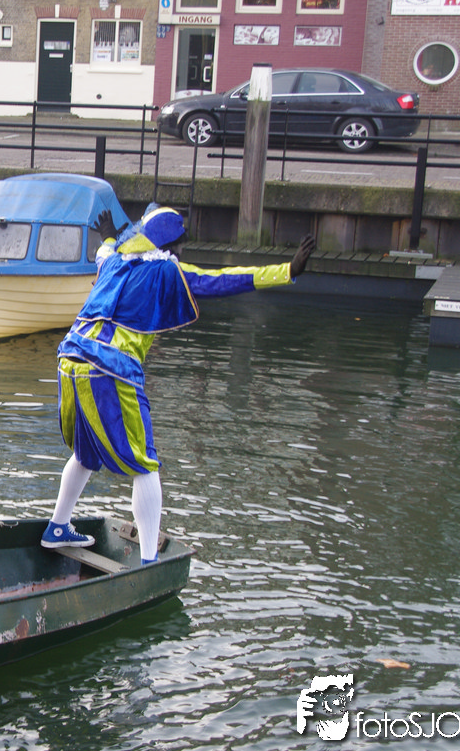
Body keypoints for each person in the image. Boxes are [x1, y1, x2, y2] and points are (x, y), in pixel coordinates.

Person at [41, 204, 315, 563]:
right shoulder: (167, 271)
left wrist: (108, 234)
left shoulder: (115, 260)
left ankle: (57, 527)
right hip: (109, 368)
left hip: (69, 358)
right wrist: (287, 271)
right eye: (181, 245)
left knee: (85, 452)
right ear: (168, 246)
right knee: (145, 465)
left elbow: (104, 251)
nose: (183, 251)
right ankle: (149, 561)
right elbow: (223, 280)